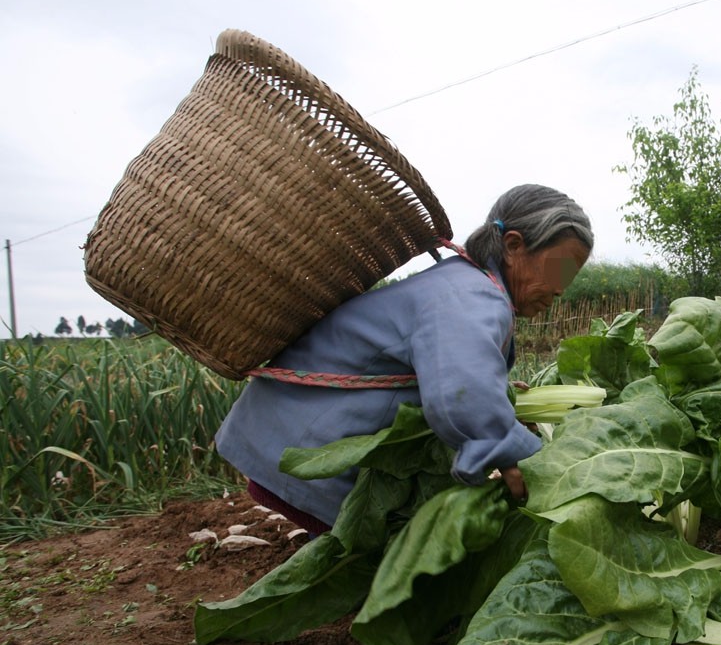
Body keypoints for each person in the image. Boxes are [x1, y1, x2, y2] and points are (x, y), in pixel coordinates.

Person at [215, 183, 593, 535]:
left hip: (286, 442)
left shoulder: (462, 283)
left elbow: (448, 373)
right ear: (513, 245)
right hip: (301, 453)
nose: (561, 288)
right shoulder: (473, 297)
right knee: (400, 580)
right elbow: (465, 394)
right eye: (559, 268)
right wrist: (527, 459)